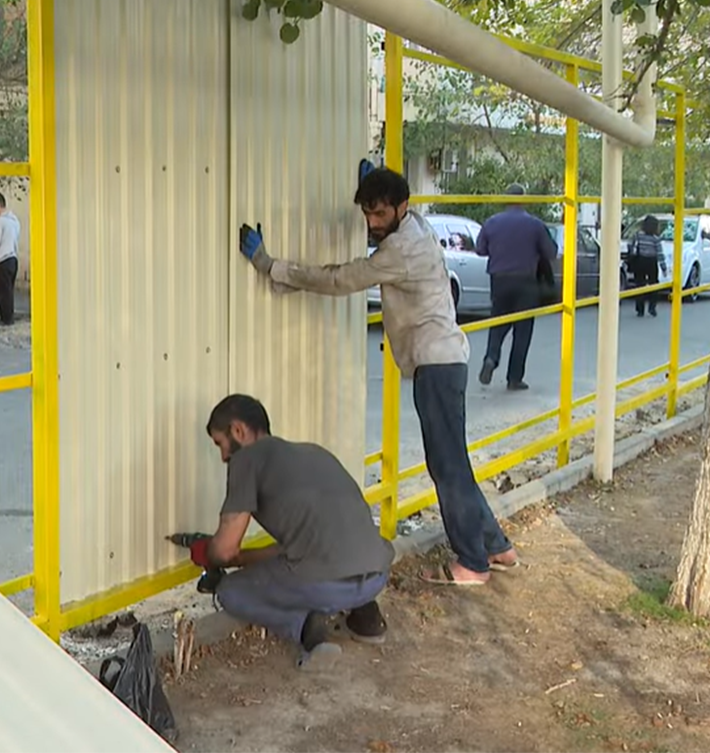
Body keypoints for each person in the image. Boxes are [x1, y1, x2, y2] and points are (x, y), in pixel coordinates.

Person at [237, 166, 518, 587]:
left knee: (446, 468)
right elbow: (392, 204)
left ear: (400, 208)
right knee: (454, 463)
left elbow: (338, 279)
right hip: (445, 361)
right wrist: (376, 175)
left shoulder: (399, 253)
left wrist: (269, 265)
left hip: (436, 366)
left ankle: (473, 563)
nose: (372, 224)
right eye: (368, 213)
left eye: (380, 214)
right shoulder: (414, 224)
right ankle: (496, 546)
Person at [191, 394, 394, 669]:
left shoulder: (246, 460)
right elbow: (290, 549)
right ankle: (367, 618)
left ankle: (306, 629)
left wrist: (208, 551)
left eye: (220, 444)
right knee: (323, 556)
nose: (224, 456)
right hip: (377, 576)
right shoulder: (314, 452)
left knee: (230, 591)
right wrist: (240, 559)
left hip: (328, 588)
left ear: (237, 430)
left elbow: (224, 550)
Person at [473, 183, 557, 391]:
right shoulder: (535, 225)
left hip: (499, 280)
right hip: (526, 281)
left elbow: (480, 249)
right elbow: (551, 252)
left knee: (498, 322)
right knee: (522, 330)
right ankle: (514, 378)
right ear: (523, 199)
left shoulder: (492, 222)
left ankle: (491, 358)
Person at [0, 193, 21, 326]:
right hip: (13, 259)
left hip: (1, 260)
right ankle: (9, 317)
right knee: (9, 291)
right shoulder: (15, 221)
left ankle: (5, 319)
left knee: (1, 292)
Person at [627, 214, 668, 317]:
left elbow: (630, 245)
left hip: (640, 261)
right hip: (651, 262)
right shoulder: (655, 238)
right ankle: (652, 307)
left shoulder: (638, 235)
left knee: (639, 285)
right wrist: (664, 268)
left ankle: (640, 309)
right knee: (653, 284)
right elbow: (659, 254)